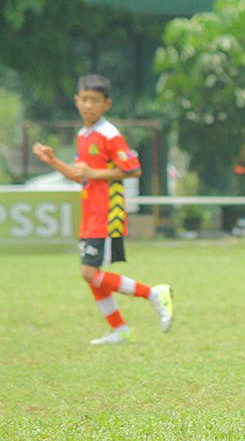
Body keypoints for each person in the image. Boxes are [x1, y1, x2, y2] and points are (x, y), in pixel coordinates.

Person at [33, 74, 174, 345]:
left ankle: (155, 294)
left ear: (106, 103)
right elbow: (81, 176)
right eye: (84, 99)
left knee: (88, 272)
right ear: (76, 100)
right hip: (90, 212)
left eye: (95, 100)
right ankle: (119, 329)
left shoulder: (109, 134)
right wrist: (53, 161)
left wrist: (95, 173)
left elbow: (134, 169)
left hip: (107, 212)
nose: (88, 105)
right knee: (92, 276)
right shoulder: (83, 135)